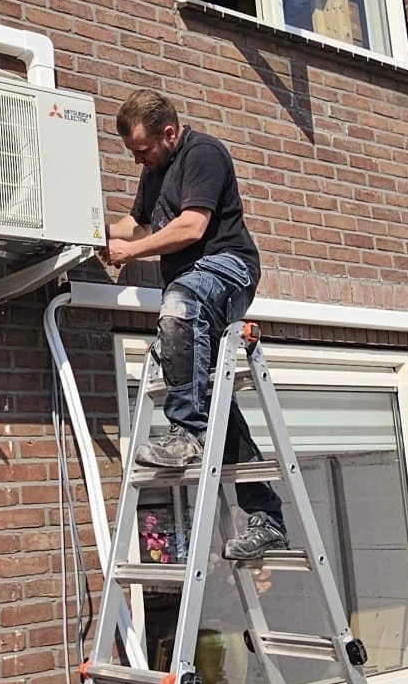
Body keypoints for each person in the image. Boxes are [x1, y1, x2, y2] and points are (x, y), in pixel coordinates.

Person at [102, 90, 289, 563]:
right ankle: (268, 518)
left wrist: (129, 253)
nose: (138, 159)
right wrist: (93, 228)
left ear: (169, 133)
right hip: (195, 280)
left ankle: (187, 433)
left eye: (143, 149)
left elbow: (191, 228)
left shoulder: (203, 153)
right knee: (214, 401)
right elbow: (138, 225)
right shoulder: (154, 172)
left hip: (228, 269)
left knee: (178, 304)